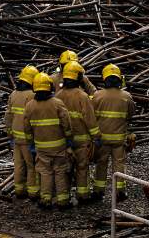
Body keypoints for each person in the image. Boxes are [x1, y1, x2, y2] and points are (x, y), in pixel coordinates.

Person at [24, 72, 73, 208]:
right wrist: (69, 139)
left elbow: (27, 128)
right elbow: (66, 124)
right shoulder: (57, 103)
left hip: (41, 147)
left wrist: (31, 144)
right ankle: (63, 200)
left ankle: (45, 199)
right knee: (60, 171)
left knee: (45, 172)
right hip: (59, 146)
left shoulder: (29, 106)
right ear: (50, 87)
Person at [55, 61, 101, 204]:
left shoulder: (58, 95)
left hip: (64, 141)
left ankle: (63, 197)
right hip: (81, 141)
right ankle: (83, 195)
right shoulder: (82, 96)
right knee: (82, 168)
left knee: (65, 170)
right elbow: (90, 119)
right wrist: (96, 137)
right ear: (78, 77)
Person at [92, 63, 136, 201]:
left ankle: (99, 191)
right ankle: (120, 192)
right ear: (119, 79)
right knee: (119, 165)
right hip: (119, 140)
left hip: (102, 139)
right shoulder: (126, 96)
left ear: (104, 79)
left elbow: (91, 115)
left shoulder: (97, 96)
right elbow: (130, 115)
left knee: (101, 165)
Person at [5, 64, 39, 199]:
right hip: (28, 138)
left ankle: (19, 190)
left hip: (16, 138)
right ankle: (33, 191)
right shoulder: (32, 96)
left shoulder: (13, 94)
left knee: (18, 165)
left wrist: (10, 134)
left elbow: (8, 116)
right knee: (31, 166)